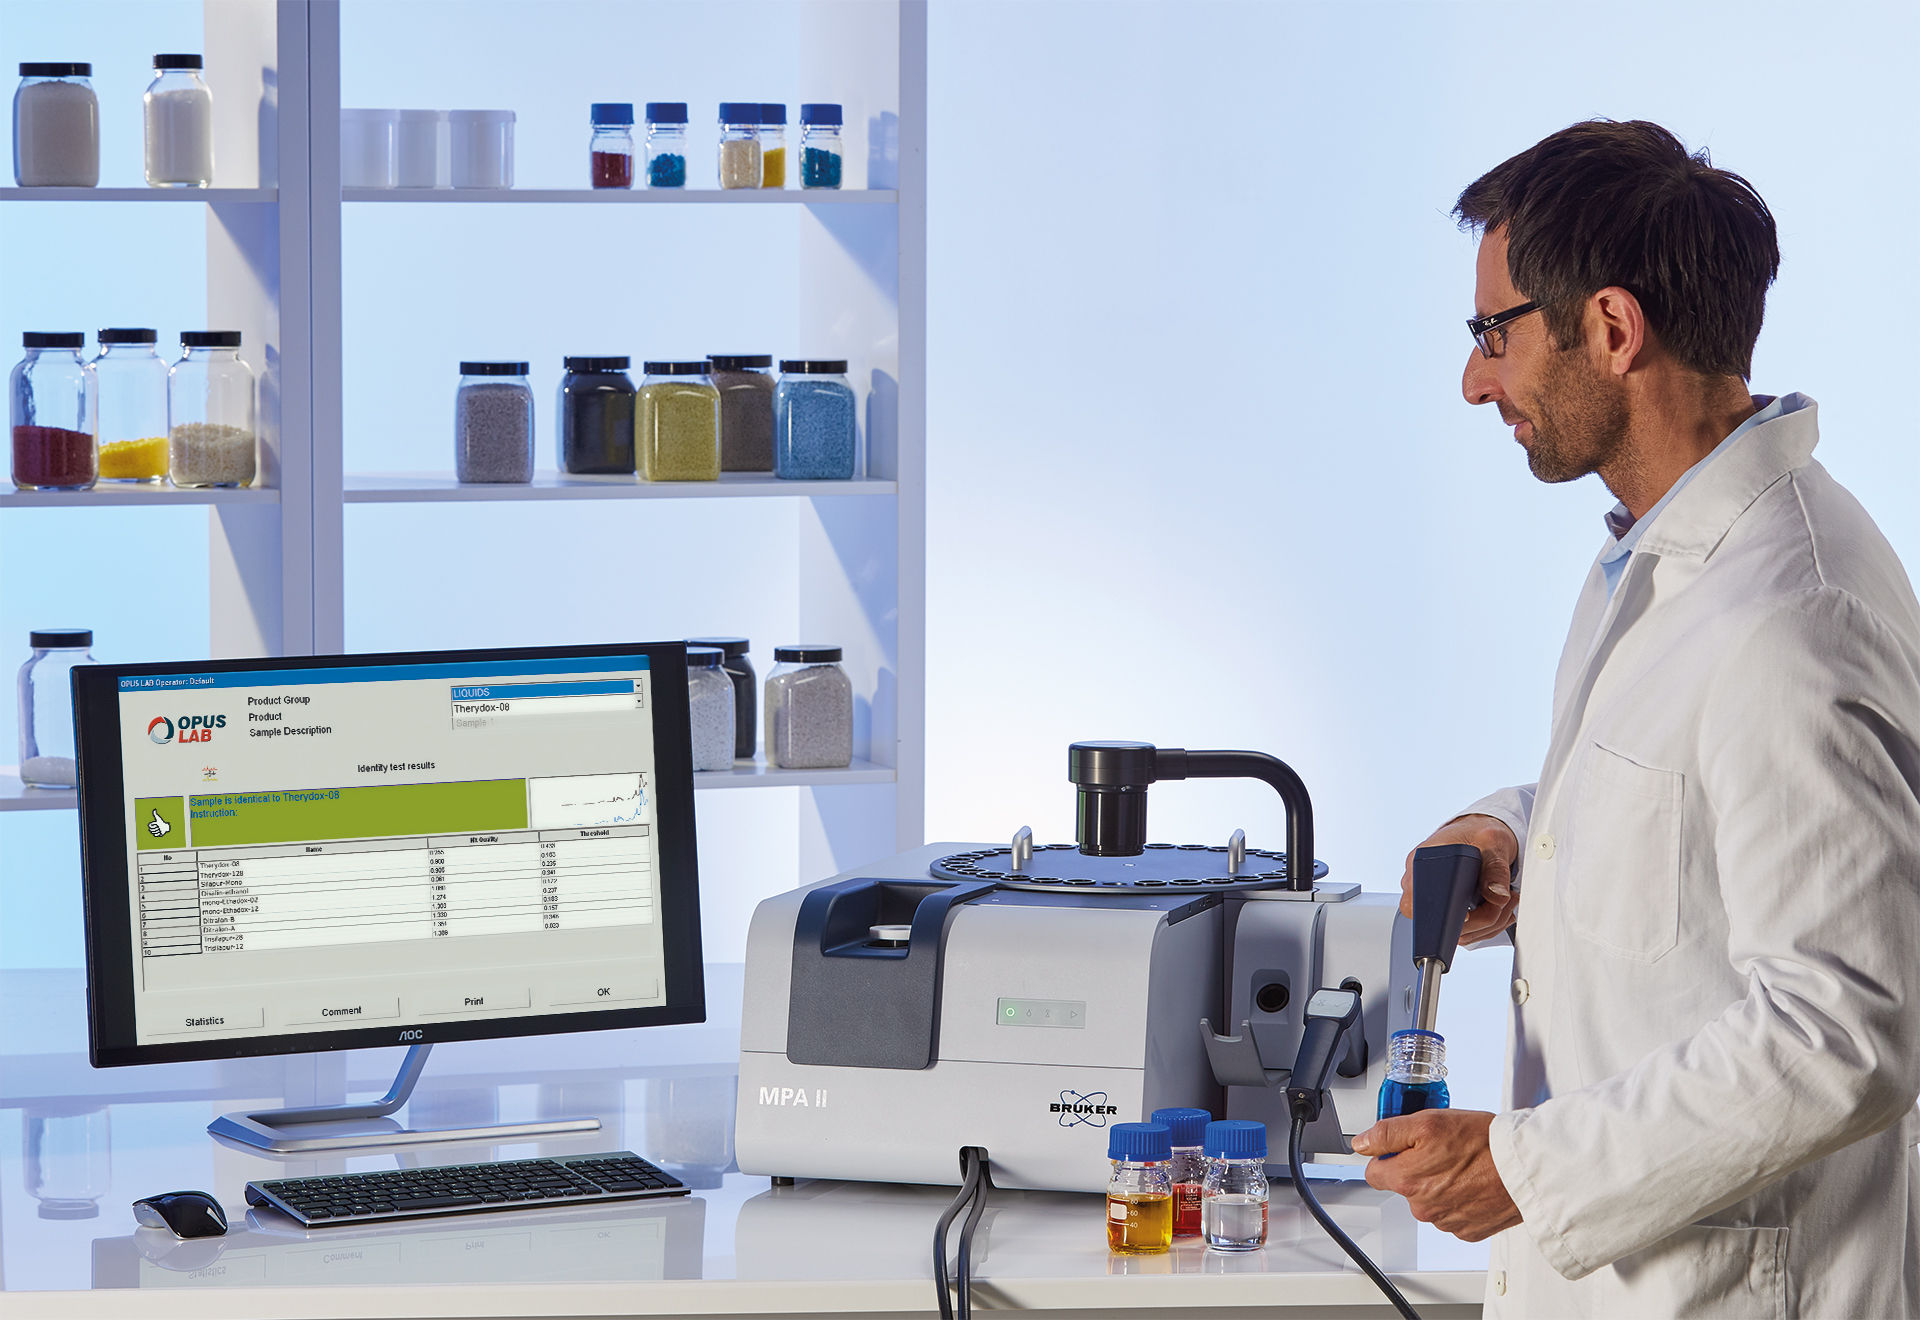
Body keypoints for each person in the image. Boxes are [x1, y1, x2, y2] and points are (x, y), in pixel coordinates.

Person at [1351, 119, 1920, 1318]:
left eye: (1494, 333)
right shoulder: (1663, 562)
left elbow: (1844, 1029)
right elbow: (1692, 798)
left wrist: (1524, 1168)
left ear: (1611, 329)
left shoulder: (1792, 612)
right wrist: (1516, 836)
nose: (1476, 381)